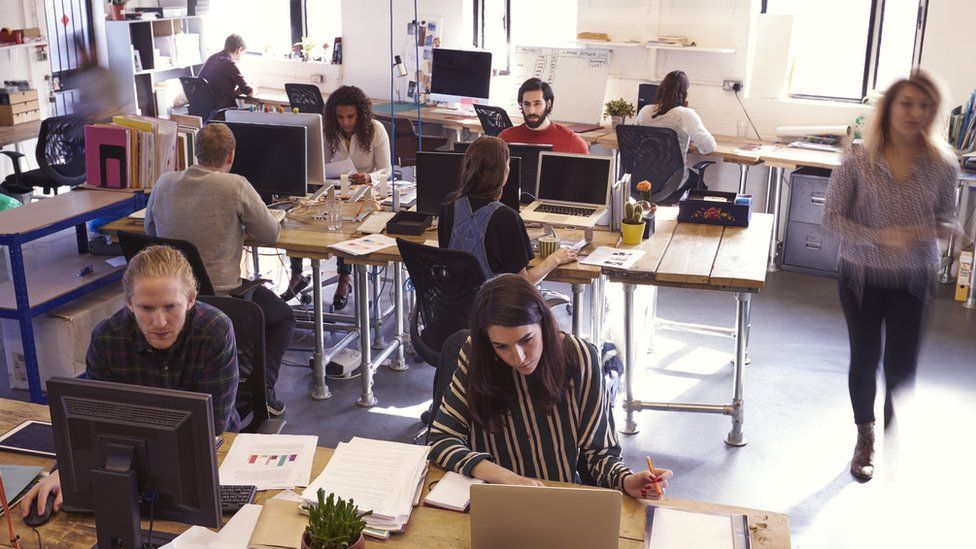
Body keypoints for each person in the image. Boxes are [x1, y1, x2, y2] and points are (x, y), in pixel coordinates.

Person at [20, 245, 240, 519]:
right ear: (128, 303)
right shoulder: (107, 338)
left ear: (191, 299)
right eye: (146, 308)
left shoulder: (215, 331)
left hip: (209, 453)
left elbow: (213, 427)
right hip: (132, 461)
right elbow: (93, 425)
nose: (159, 322)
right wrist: (66, 471)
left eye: (171, 307)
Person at [823, 71, 961, 481]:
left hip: (914, 280)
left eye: (925, 106)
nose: (915, 113)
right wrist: (880, 238)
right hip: (861, 278)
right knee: (864, 358)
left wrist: (944, 229)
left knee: (902, 367)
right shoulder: (857, 161)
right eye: (907, 103)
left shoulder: (942, 165)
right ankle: (865, 438)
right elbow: (831, 219)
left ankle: (892, 430)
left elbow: (945, 218)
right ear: (889, 108)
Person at [428, 274, 671, 497]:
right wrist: (508, 479)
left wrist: (626, 481)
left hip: (557, 498)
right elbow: (441, 439)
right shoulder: (476, 354)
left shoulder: (580, 357)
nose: (519, 357)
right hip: (493, 496)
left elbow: (600, 454)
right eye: (501, 346)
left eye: (526, 340)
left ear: (543, 324)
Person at [145, 122, 293, 416]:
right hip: (224, 297)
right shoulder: (235, 185)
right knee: (284, 317)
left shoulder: (163, 183)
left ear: (195, 152)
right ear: (231, 156)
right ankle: (262, 390)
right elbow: (270, 234)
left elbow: (152, 233)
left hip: (173, 297)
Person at [282, 85, 392, 309]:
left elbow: (386, 170)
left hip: (365, 195)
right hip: (333, 191)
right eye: (340, 117)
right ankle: (297, 274)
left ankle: (345, 278)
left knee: (344, 225)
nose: (346, 122)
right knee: (298, 221)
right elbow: (317, 166)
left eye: (351, 116)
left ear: (361, 113)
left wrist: (369, 176)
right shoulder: (327, 131)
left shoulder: (376, 129)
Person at [438, 136, 576, 283]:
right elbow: (523, 282)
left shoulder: (450, 204)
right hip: (491, 303)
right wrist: (555, 258)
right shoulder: (507, 218)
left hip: (452, 302)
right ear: (503, 172)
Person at [634, 70, 716, 191]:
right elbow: (709, 147)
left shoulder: (644, 111)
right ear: (684, 92)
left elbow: (636, 140)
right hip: (674, 182)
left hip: (643, 179)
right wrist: (691, 141)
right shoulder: (685, 115)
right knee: (701, 188)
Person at [498, 78, 589, 154]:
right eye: (527, 104)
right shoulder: (506, 138)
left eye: (537, 104)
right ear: (520, 104)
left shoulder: (571, 141)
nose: (531, 110)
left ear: (548, 104)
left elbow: (587, 174)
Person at [198, 34, 253, 109]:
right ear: (239, 50)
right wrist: (254, 88)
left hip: (203, 107)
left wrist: (237, 91)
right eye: (243, 52)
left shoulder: (213, 57)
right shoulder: (229, 64)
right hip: (219, 109)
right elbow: (249, 92)